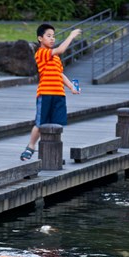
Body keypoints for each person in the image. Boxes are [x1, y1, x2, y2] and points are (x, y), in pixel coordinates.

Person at [20, 24, 82, 161]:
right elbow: (60, 49)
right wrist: (71, 36)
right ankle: (30, 147)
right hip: (45, 93)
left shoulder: (55, 58)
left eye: (54, 36)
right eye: (49, 36)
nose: (52, 39)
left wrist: (71, 87)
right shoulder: (42, 53)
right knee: (40, 123)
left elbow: (60, 74)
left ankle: (53, 153)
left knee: (57, 125)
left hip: (59, 94)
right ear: (40, 38)